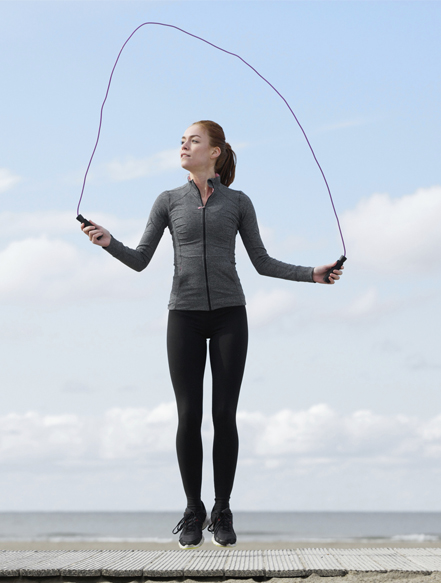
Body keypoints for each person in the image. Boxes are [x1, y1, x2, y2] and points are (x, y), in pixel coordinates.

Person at [81, 120, 343, 549]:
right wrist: (110, 241)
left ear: (215, 151)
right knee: (189, 415)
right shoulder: (168, 201)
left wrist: (311, 275)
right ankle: (192, 509)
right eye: (181, 140)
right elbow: (141, 259)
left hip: (228, 316)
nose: (184, 145)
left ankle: (221, 509)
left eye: (193, 140)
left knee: (224, 415)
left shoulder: (238, 202)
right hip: (182, 315)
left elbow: (262, 261)